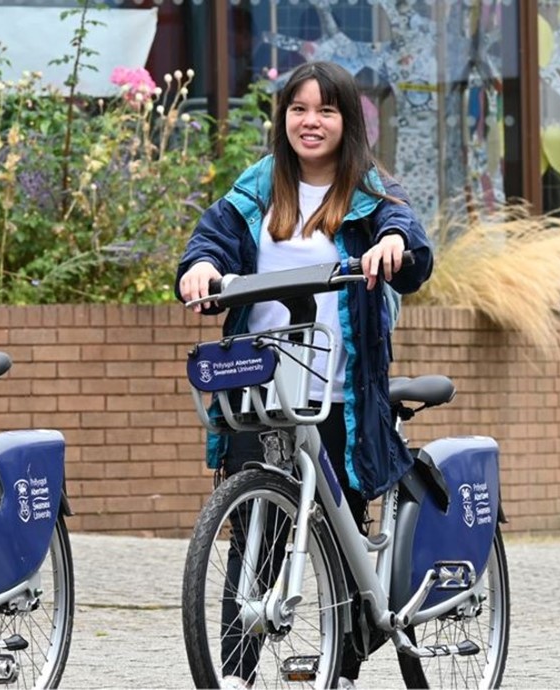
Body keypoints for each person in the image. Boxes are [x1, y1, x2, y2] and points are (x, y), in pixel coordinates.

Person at [176, 60, 433, 690]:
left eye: (325, 110)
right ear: (282, 117)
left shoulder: (370, 190)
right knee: (252, 536)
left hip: (338, 392)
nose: (310, 122)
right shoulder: (261, 185)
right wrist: (200, 268)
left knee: (339, 535)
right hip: (260, 386)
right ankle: (235, 674)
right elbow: (210, 238)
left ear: (348, 120)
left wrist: (392, 245)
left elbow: (410, 239)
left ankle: (338, 668)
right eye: (298, 109)